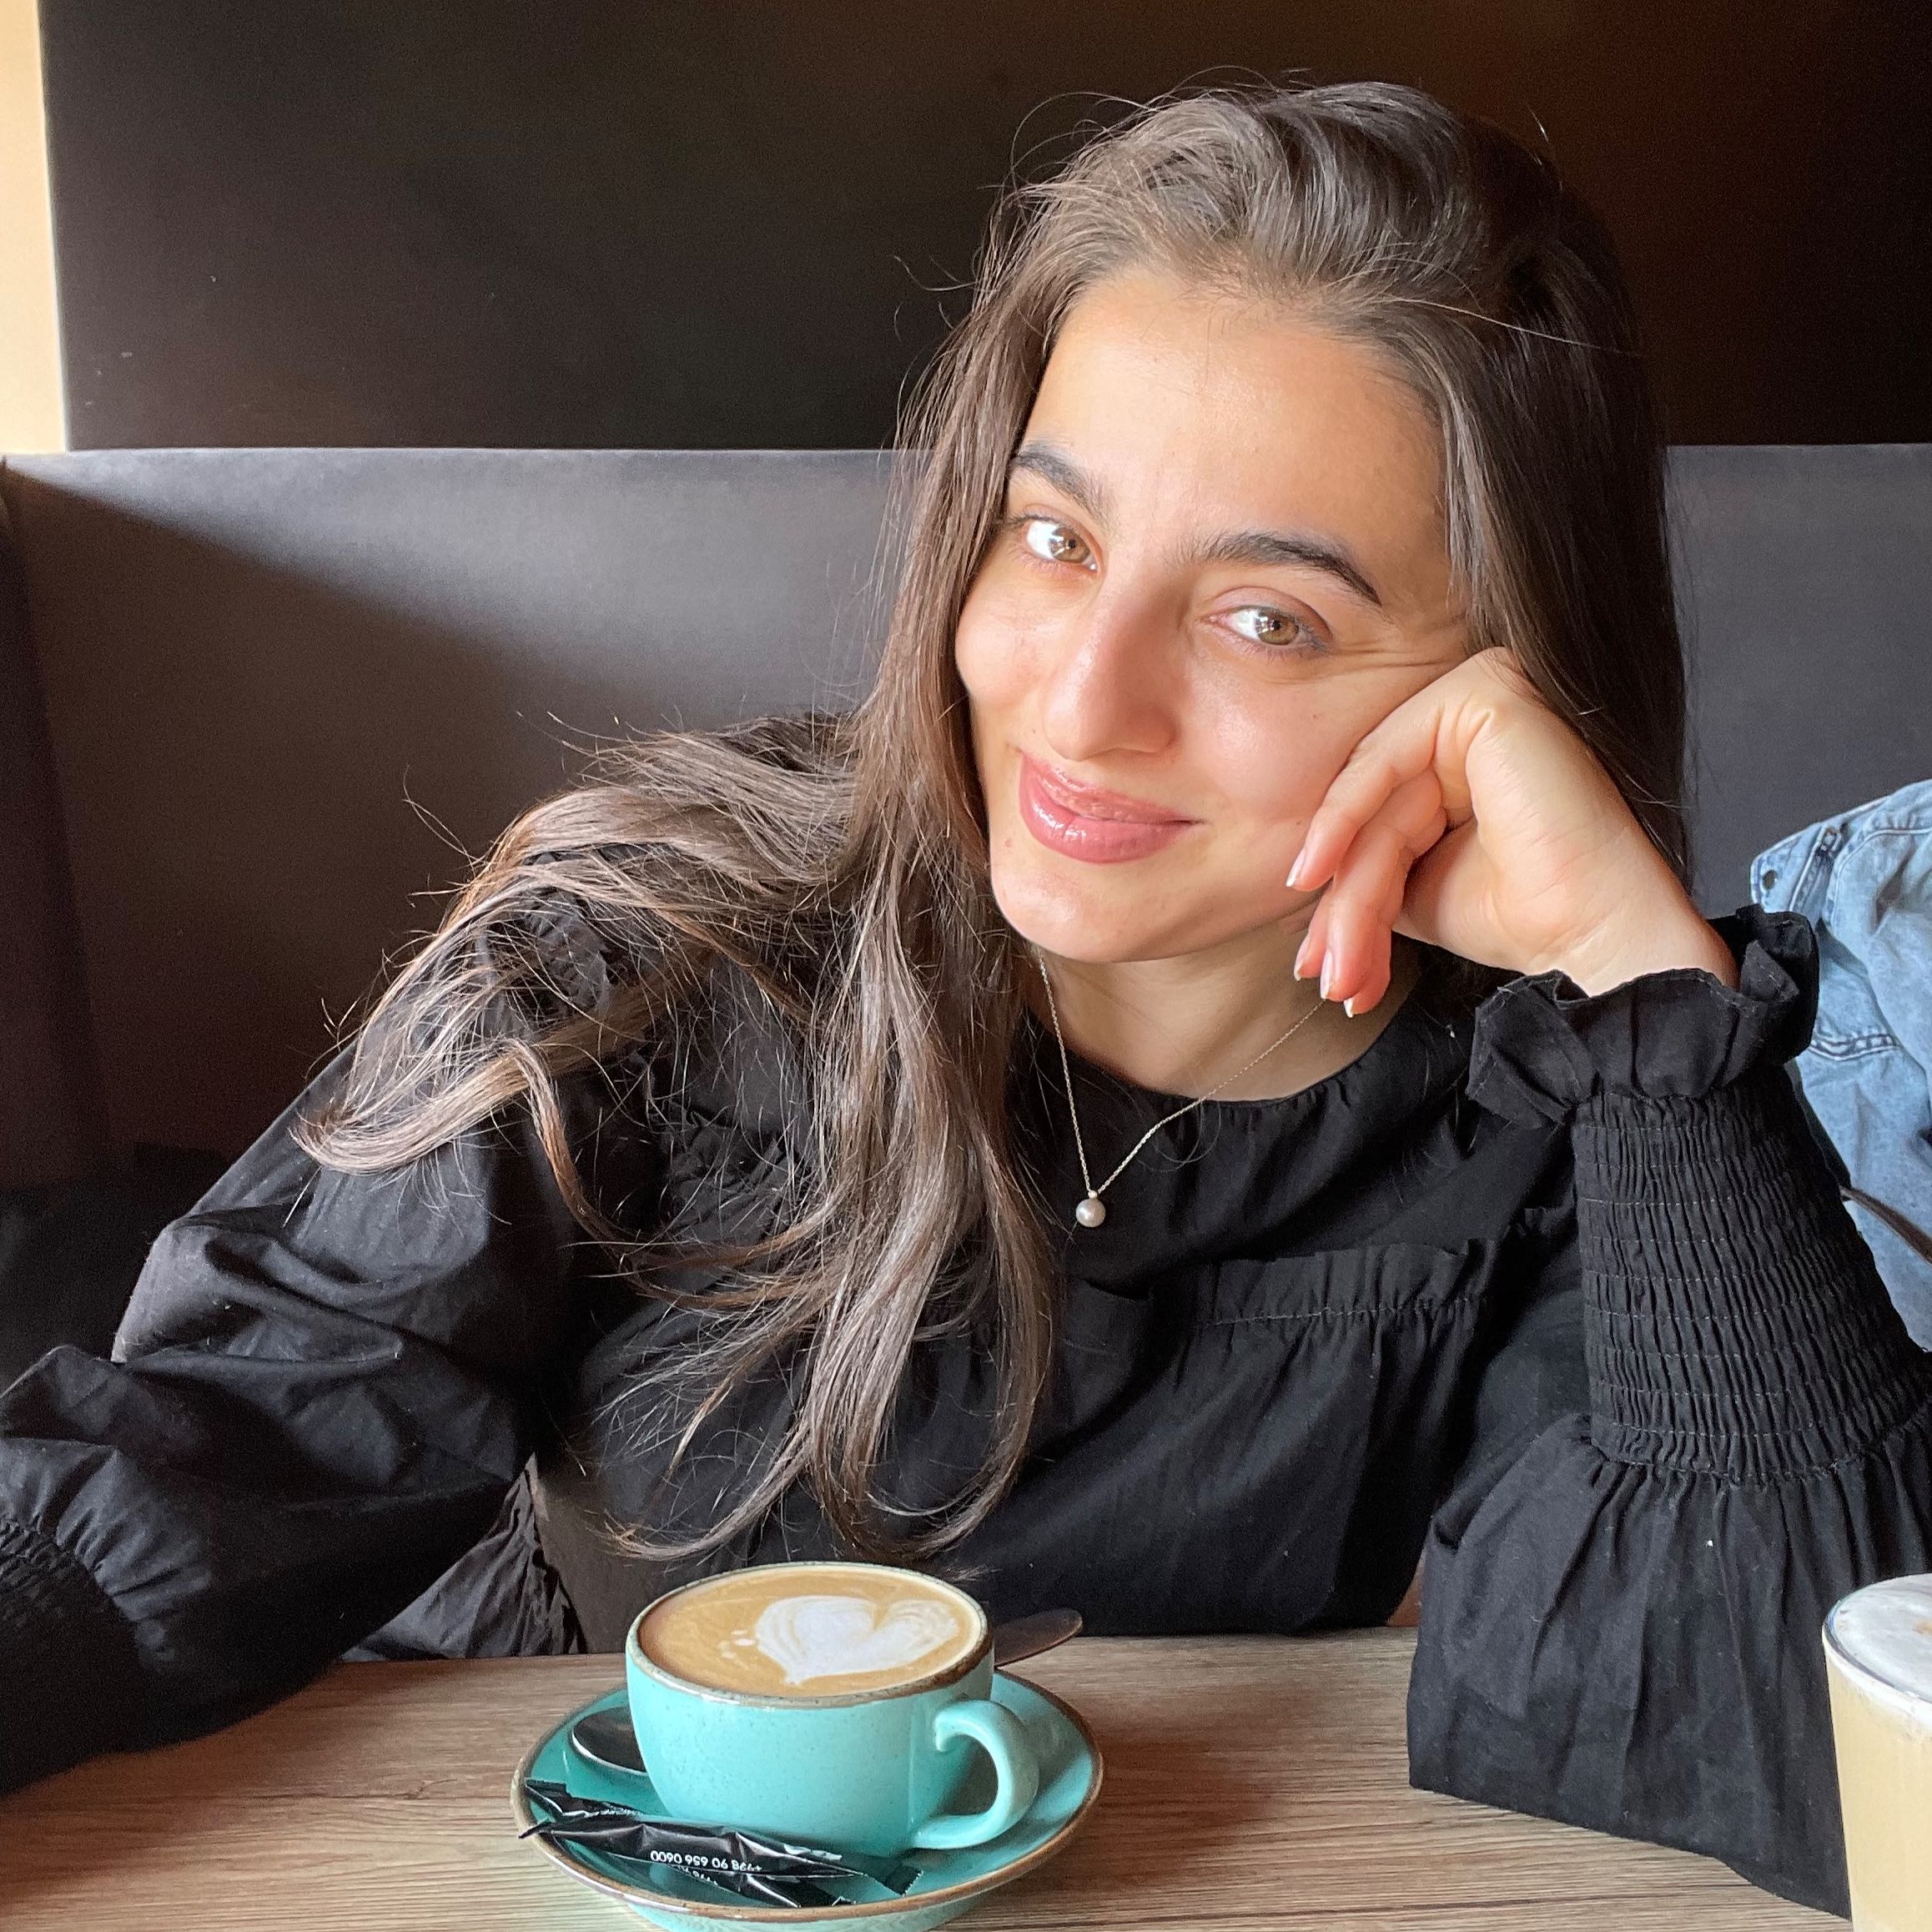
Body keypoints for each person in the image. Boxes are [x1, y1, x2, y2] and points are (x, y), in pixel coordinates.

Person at [0, 80, 1924, 1918]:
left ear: (1508, 684)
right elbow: (192, 1469)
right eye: (1054, 536)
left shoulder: (1565, 1112)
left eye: (1269, 618)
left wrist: (1638, 983)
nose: (1079, 703)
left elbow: (1810, 1764)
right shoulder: (644, 949)